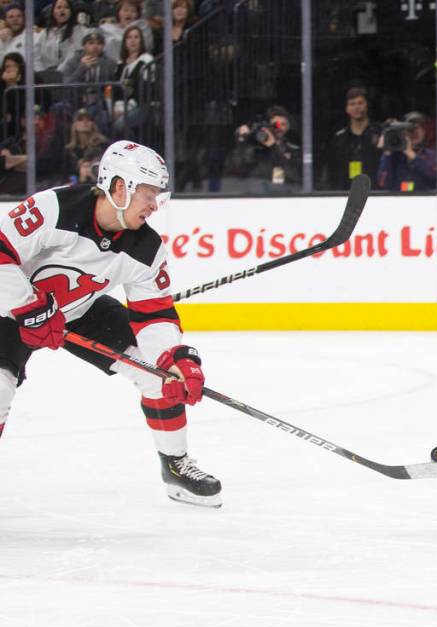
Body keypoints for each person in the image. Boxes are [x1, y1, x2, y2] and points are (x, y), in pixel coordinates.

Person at [0, 140, 221, 507]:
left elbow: (154, 314)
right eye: (148, 194)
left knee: (157, 375)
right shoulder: (54, 208)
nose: (154, 205)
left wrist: (174, 359)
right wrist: (28, 307)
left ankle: (176, 468)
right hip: (8, 311)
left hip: (76, 310)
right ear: (121, 187)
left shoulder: (146, 248)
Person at [321, 86, 381, 191]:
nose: (356, 107)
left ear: (366, 106)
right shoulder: (339, 139)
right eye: (352, 104)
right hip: (345, 193)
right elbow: (331, 170)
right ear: (347, 109)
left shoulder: (379, 133)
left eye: (360, 103)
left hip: (376, 192)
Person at [230, 105, 301, 192]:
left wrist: (273, 146)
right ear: (268, 126)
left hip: (283, 195)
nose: (280, 128)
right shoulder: (255, 148)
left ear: (288, 126)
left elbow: (293, 176)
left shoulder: (293, 150)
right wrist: (243, 141)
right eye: (276, 125)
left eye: (283, 124)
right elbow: (237, 171)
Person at [375, 111, 437, 192]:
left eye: (418, 128)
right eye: (410, 129)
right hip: (397, 200)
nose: (414, 132)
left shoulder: (431, 155)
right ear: (403, 131)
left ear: (424, 131)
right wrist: (387, 152)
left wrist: (411, 154)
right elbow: (382, 182)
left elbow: (434, 177)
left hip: (422, 200)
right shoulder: (395, 156)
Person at [111, 25, 154, 138]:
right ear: (125, 41)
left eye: (136, 37)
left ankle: (133, 153)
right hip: (122, 107)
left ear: (141, 41)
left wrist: (125, 109)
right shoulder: (120, 64)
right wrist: (117, 107)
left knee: (120, 125)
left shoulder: (146, 60)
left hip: (142, 106)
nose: (133, 41)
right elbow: (116, 91)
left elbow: (144, 90)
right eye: (129, 37)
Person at [32, 0, 88, 75]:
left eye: (66, 7)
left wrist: (58, 73)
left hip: (70, 74)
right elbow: (35, 55)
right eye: (59, 7)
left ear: (71, 11)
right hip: (46, 75)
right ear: (53, 12)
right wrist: (42, 73)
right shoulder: (45, 33)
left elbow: (73, 55)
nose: (62, 10)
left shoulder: (79, 30)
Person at [64, 107, 107, 180]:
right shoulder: (70, 150)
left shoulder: (101, 144)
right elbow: (66, 174)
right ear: (75, 125)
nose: (85, 122)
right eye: (80, 120)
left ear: (93, 124)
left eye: (88, 120)